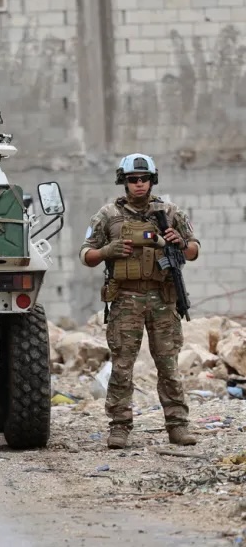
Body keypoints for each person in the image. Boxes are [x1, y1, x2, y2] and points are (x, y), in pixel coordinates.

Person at [79, 153, 201, 450]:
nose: (139, 184)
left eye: (144, 179)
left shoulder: (170, 213)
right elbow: (86, 255)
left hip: (162, 298)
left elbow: (194, 251)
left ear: (152, 180)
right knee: (122, 365)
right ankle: (119, 427)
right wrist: (109, 250)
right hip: (125, 299)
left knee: (168, 365)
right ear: (124, 182)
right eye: (133, 179)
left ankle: (177, 426)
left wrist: (179, 242)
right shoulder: (108, 215)